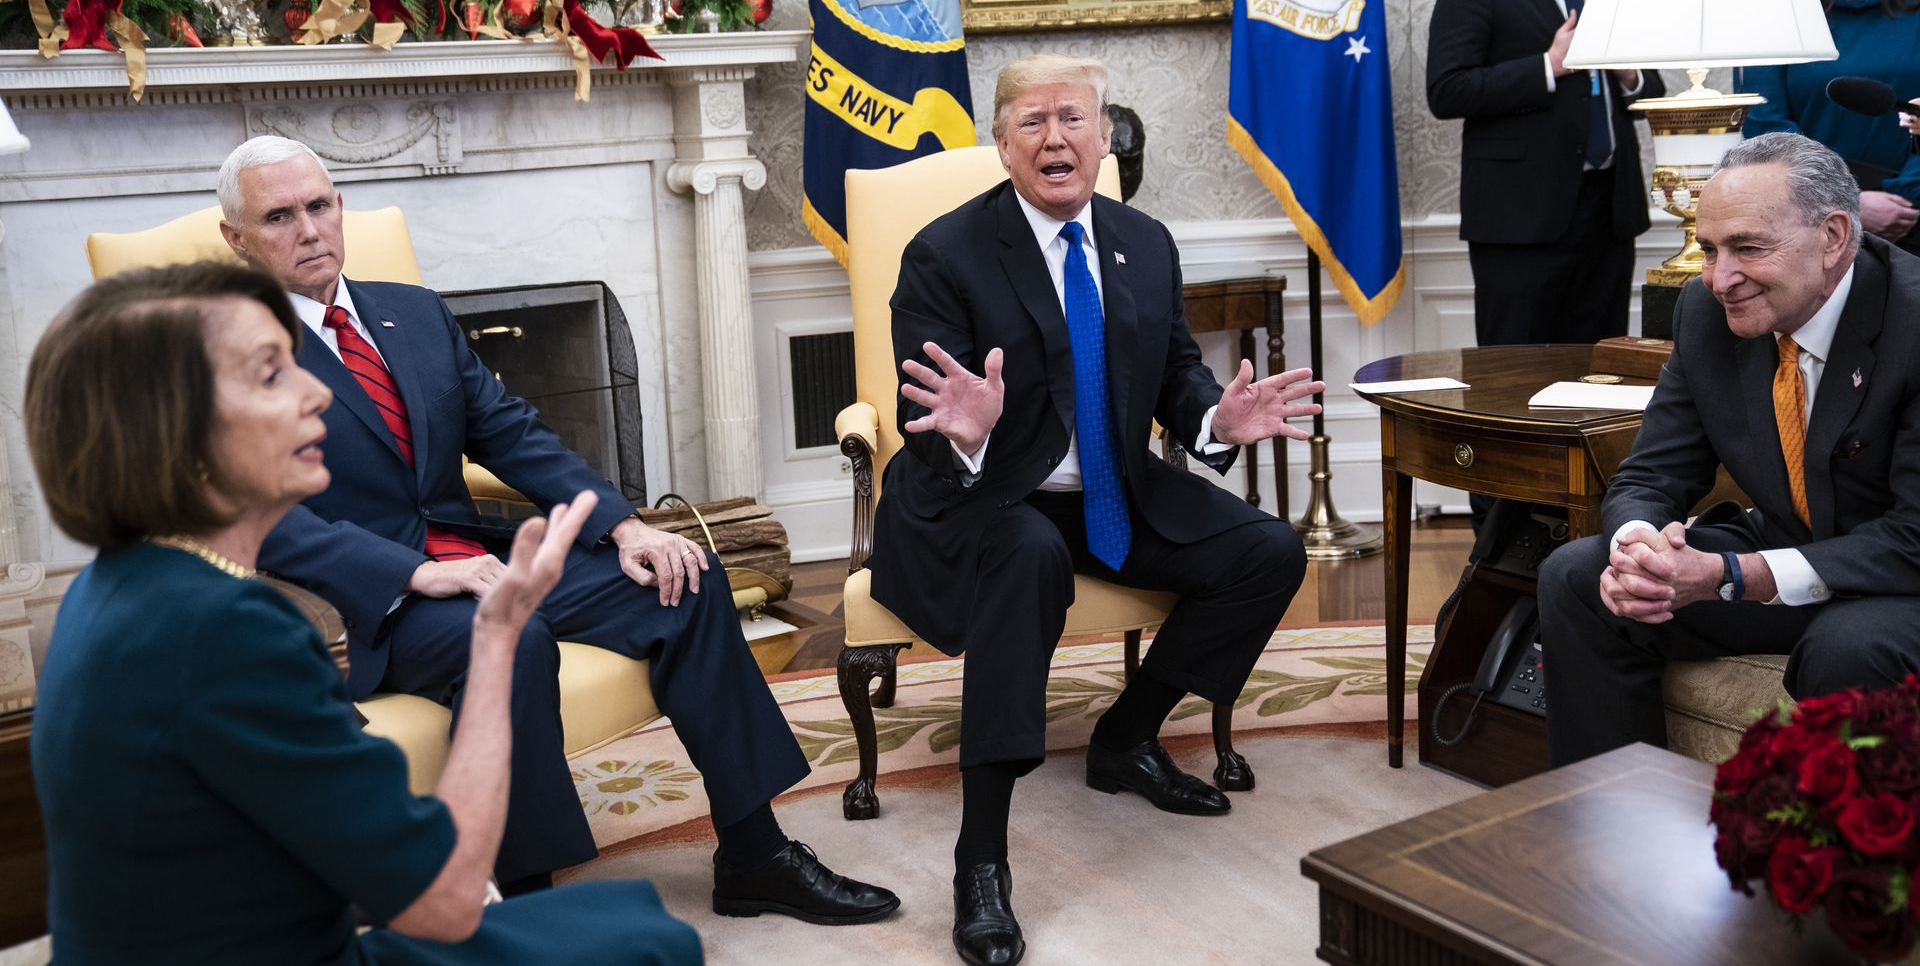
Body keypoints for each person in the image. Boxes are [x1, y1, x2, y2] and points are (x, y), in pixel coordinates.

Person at [214, 137, 896, 920]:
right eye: (279, 216)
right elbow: (255, 514)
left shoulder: (412, 311)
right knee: (511, 640)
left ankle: (754, 854)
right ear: (236, 237)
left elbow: (510, 433)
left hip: (483, 560)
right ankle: (526, 907)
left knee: (684, 580)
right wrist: (413, 573)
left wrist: (625, 527)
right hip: (375, 603)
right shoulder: (222, 352)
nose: (309, 229)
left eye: (319, 205)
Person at [25, 261, 703, 963]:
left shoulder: (114, 587)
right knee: (650, 941)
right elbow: (447, 898)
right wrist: (497, 638)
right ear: (174, 436)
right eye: (271, 374)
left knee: (621, 919)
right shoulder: (230, 630)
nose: (318, 391)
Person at [866, 53, 1322, 966]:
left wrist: (1216, 421)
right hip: (981, 496)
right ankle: (981, 860)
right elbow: (930, 413)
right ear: (1002, 147)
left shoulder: (1142, 242)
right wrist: (967, 430)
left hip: (1109, 489)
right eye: (1031, 122)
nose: (1055, 138)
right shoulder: (945, 253)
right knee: (1028, 553)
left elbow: (1178, 372)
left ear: (1105, 137)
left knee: (1269, 551)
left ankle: (1126, 737)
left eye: (1072, 118)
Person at [1536, 133, 1920, 768]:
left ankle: (1832, 836)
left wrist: (1733, 574)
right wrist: (1642, 548)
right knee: (1579, 576)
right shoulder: (1705, 311)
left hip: (1902, 580)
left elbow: (1912, 538)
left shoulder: (1912, 319)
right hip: (1795, 545)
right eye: (1710, 249)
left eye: (1748, 248)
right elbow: (1653, 472)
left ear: (1832, 237)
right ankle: (1615, 816)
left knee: (1847, 647)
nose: (1720, 278)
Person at [1425, 0, 1665, 347]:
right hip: (1520, 219)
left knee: (1600, 369)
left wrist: (1629, 72)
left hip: (1610, 213)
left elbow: (1650, 90)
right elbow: (1447, 91)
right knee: (1516, 370)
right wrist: (1547, 66)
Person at [1741, 0, 1920, 252]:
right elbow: (1765, 125)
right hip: (1812, 229)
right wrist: (1847, 203)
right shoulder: (1779, 10)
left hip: (1912, 221)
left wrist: (1906, 197)